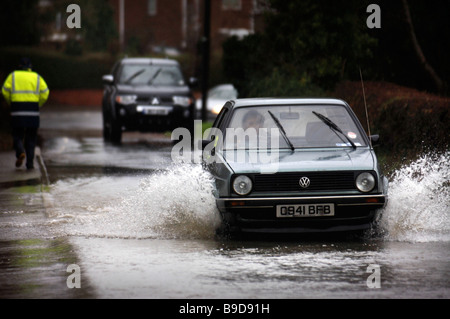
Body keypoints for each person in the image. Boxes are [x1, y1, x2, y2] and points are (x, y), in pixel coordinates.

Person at [1, 57, 49, 169]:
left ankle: (20, 151)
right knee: (31, 137)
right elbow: (46, 92)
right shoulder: (36, 77)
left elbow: (4, 91)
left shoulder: (13, 76)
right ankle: (30, 163)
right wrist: (39, 103)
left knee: (17, 134)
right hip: (33, 111)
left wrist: (10, 102)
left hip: (17, 110)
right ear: (30, 67)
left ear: (19, 66)